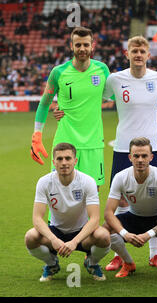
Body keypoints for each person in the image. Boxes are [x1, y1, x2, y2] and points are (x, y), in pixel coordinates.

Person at [100, 35, 157, 271]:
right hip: (122, 147)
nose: (138, 54)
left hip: (153, 147)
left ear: (149, 55)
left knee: (154, 198)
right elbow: (95, 99)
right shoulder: (115, 79)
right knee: (119, 198)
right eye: (134, 51)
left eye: (142, 51)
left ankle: (153, 254)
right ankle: (120, 255)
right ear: (126, 54)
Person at [30, 27, 109, 189]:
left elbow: (116, 96)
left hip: (93, 142)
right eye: (78, 45)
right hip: (65, 141)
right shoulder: (58, 72)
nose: (82, 49)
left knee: (93, 192)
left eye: (86, 45)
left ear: (92, 46)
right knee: (60, 191)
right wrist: (37, 135)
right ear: (71, 46)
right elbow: (44, 103)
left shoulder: (102, 70)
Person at [25, 143, 111, 282]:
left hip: (82, 233)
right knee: (30, 237)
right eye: (59, 159)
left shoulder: (87, 181)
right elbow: (37, 218)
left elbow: (94, 218)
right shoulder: (44, 182)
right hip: (56, 231)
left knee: (104, 236)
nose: (64, 163)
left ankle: (92, 263)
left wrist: (74, 242)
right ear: (53, 162)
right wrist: (53, 239)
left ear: (75, 161)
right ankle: (51, 264)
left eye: (68, 158)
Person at [103, 137, 157, 278]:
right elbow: (108, 213)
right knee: (105, 229)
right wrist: (125, 234)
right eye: (136, 156)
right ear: (130, 157)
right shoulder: (120, 177)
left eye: (144, 156)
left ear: (151, 157)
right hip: (134, 216)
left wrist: (149, 234)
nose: (140, 160)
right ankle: (128, 262)